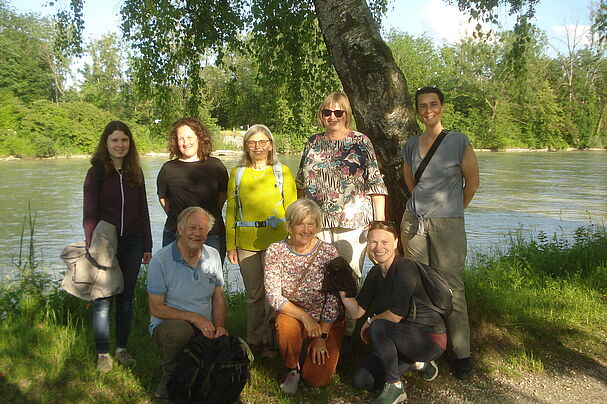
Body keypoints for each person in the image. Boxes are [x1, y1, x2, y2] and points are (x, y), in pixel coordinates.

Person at [296, 92, 388, 346]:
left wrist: (380, 224)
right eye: (328, 112)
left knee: (349, 277)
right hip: (317, 224)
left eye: (339, 112)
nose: (333, 117)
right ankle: (321, 333)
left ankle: (346, 337)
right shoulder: (312, 143)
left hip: (354, 223)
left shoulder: (360, 142)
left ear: (347, 114)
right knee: (319, 276)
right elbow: (301, 185)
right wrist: (301, 217)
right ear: (321, 115)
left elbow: (375, 183)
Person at [400, 86, 479, 379]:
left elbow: (471, 183)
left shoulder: (458, 141)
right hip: (414, 222)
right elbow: (411, 182)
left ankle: (461, 354)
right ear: (417, 110)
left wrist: (452, 210)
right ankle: (425, 352)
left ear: (442, 107)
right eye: (422, 106)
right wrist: (423, 208)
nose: (428, 110)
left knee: (452, 287)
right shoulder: (410, 144)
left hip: (448, 224)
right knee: (418, 287)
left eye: (433, 104)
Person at [338, 221, 446, 404]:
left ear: (396, 242)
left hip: (428, 339)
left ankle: (394, 387)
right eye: (373, 242)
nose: (378, 247)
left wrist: (371, 322)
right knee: (362, 380)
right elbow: (357, 312)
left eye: (384, 242)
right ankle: (420, 364)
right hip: (398, 339)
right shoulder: (374, 273)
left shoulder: (406, 268)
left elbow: (395, 315)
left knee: (379, 326)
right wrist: (342, 291)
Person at [83, 120, 152, 371]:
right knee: (103, 298)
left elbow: (143, 209)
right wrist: (91, 246)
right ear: (106, 143)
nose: (120, 145)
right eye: (115, 140)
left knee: (126, 298)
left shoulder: (136, 172)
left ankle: (122, 348)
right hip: (104, 243)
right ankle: (103, 353)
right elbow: (89, 212)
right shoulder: (97, 172)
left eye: (124, 140)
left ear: (129, 143)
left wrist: (147, 244)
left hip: (133, 241)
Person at [225, 124, 297, 356]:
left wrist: (294, 242)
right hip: (246, 243)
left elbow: (293, 209)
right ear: (246, 146)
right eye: (252, 142)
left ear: (270, 145)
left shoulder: (282, 171)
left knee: (273, 294)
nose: (257, 146)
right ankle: (254, 340)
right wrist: (230, 245)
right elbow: (231, 212)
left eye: (262, 142)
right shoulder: (237, 173)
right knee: (254, 295)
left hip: (277, 242)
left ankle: (272, 340)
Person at [264, 198, 344, 394]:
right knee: (284, 323)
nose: (306, 229)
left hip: (327, 319)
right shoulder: (276, 251)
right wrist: (305, 317)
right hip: (294, 315)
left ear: (317, 226)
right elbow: (274, 295)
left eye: (311, 224)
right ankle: (292, 368)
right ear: (290, 225)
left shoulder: (328, 252)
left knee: (316, 380)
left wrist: (321, 336)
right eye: (301, 223)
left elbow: (334, 299)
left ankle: (313, 353)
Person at [147, 207, 228, 399]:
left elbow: (218, 297)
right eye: (192, 228)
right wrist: (194, 318)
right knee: (180, 333)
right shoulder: (160, 261)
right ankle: (168, 379)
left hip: (205, 324)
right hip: (169, 324)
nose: (197, 233)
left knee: (230, 346)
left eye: (202, 229)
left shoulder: (213, 255)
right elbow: (156, 308)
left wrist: (220, 327)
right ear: (180, 229)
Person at [157, 117, 229, 261]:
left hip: (211, 234)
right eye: (181, 138)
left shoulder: (215, 166)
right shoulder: (168, 169)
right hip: (176, 233)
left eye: (190, 137)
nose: (185, 143)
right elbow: (164, 199)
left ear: (199, 139)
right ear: (175, 142)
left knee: (210, 281)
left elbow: (223, 195)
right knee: (174, 281)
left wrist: (206, 218)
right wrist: (183, 218)